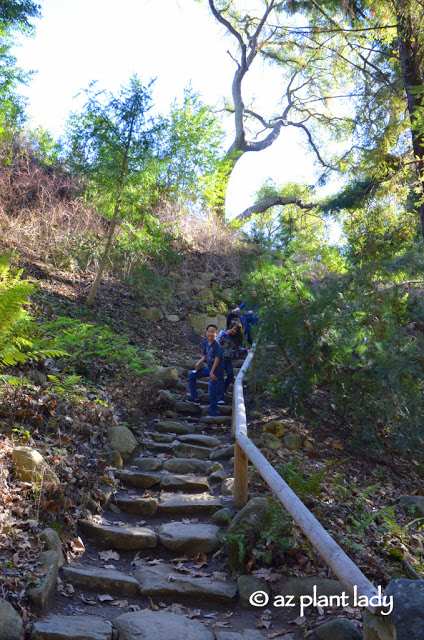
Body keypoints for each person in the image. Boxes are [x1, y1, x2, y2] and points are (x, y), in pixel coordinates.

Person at [185, 324, 224, 417]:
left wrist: (211, 372)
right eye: (209, 331)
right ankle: (195, 397)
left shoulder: (217, 345)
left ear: (216, 333)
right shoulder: (207, 342)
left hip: (216, 371)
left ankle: (214, 412)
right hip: (209, 368)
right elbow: (205, 356)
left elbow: (217, 359)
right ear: (206, 332)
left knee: (211, 388)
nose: (210, 334)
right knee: (192, 375)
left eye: (213, 332)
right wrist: (198, 363)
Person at [217, 319, 247, 403]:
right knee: (220, 377)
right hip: (219, 358)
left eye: (236, 330)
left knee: (230, 375)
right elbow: (216, 341)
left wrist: (246, 350)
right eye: (233, 329)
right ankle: (220, 398)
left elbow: (238, 349)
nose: (233, 331)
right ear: (230, 327)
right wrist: (226, 334)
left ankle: (222, 390)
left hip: (228, 359)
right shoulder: (223, 332)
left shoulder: (236, 339)